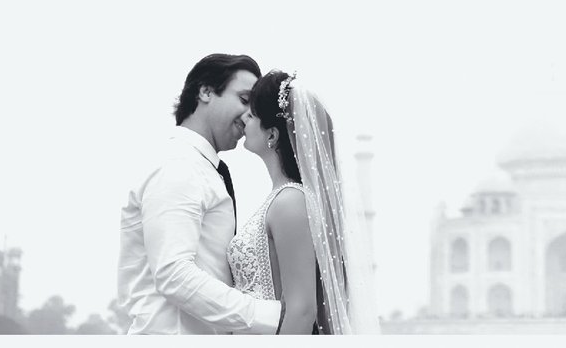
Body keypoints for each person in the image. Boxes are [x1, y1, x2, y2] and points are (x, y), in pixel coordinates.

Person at [118, 54, 284, 334]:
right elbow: (173, 274)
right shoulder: (178, 165)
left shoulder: (202, 168)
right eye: (244, 100)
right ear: (205, 91)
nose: (249, 116)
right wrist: (273, 317)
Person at [229, 70, 378, 334]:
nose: (243, 119)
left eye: (251, 115)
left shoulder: (291, 202)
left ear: (272, 134)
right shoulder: (281, 199)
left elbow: (302, 310)